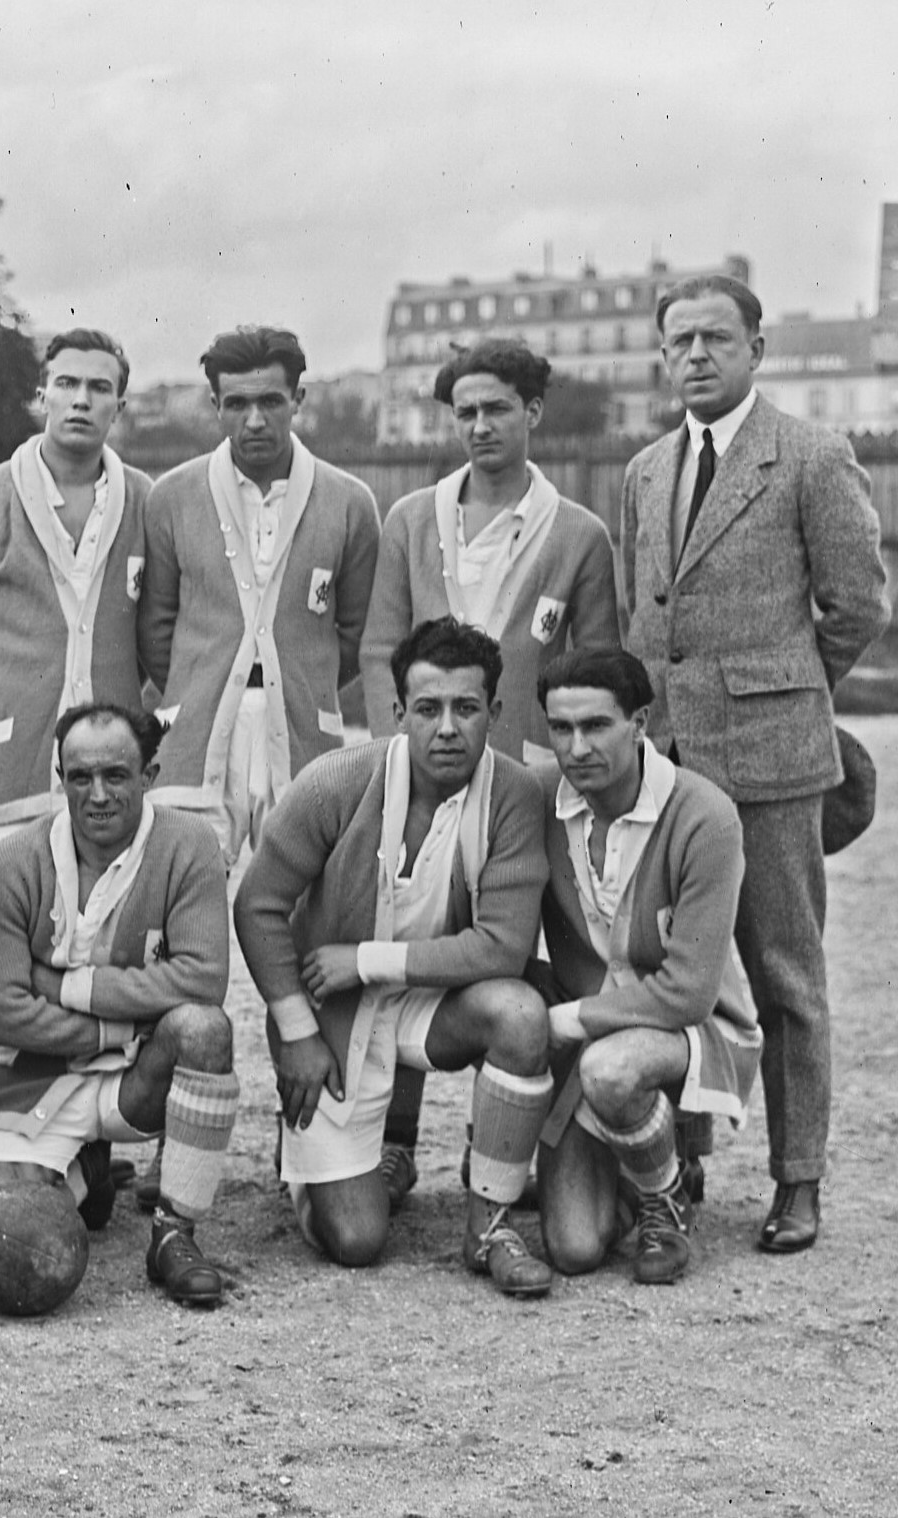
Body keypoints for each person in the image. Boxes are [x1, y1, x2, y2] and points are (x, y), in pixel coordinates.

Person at [621, 273, 889, 1253]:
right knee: (662, 964)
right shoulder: (647, 468)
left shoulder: (810, 456)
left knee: (783, 973)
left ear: (754, 348)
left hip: (771, 763)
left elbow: (856, 603)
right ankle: (677, 1156)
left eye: (714, 339)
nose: (694, 355)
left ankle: (796, 1179)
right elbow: (639, 619)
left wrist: (782, 693)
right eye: (677, 341)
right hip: (665, 764)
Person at [361, 338, 618, 1209]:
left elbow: (596, 666)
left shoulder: (577, 534)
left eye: (497, 408)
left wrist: (559, 775)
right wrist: (389, 766)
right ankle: (391, 1143)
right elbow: (376, 650)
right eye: (464, 411)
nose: (479, 426)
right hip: (421, 778)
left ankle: (512, 1140)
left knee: (536, 953)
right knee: (404, 930)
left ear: (533, 412)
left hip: (529, 786)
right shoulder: (410, 520)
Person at [233, 618, 556, 1296]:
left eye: (466, 709)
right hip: (335, 1011)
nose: (447, 728)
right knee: (355, 1242)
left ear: (494, 714)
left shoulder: (516, 794)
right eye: (429, 709)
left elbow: (503, 945)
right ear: (396, 710)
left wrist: (369, 960)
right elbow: (257, 904)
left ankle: (490, 1224)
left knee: (522, 1014)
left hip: (430, 999)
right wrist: (294, 1031)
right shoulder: (338, 780)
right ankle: (309, 1167)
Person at [0, 703, 238, 1307]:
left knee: (203, 1029)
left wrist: (65, 987)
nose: (98, 794)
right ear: (59, 778)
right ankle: (87, 1170)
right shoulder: (14, 859)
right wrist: (122, 1025)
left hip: (141, 1079)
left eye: (116, 775)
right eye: (80, 777)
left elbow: (204, 979)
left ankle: (174, 1233)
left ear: (150, 775)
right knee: (1, 1235)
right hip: (33, 1081)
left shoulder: (189, 844)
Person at [528, 649, 758, 1284]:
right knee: (574, 1248)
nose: (576, 748)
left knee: (611, 1071)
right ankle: (642, 1161)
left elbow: (686, 993)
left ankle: (665, 1198)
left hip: (694, 1029)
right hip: (598, 1025)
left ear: (641, 722)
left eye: (597, 725)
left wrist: (568, 1018)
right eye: (560, 728)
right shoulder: (542, 797)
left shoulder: (703, 815)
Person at [139, 325, 380, 864]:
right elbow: (156, 626)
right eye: (237, 404)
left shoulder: (349, 502)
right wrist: (202, 682)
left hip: (301, 728)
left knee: (300, 897)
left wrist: (297, 672)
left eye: (270, 401)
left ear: (298, 399)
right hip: (196, 732)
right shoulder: (172, 496)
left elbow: (357, 631)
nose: (254, 420)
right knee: (183, 891)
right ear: (215, 405)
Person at [0, 330, 155, 862]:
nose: (80, 400)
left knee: (107, 921)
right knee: (10, 919)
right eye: (67, 383)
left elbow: (158, 624)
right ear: (42, 394)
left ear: (118, 407)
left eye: (99, 388)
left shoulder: (146, 501)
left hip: (111, 759)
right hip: (12, 762)